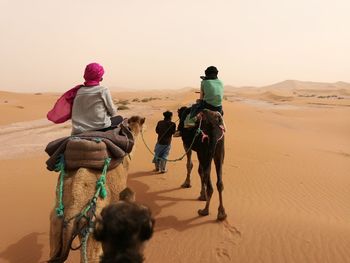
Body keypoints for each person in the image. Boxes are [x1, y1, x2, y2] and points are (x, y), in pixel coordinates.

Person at [174, 66, 224, 136]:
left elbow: (201, 98)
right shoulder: (221, 82)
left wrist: (199, 101)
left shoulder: (204, 82)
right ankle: (221, 123)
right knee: (221, 113)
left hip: (207, 106)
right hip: (219, 108)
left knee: (186, 111)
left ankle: (180, 130)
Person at [71, 62, 120, 135]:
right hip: (101, 128)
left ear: (85, 76)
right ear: (100, 78)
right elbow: (113, 112)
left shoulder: (77, 91)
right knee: (119, 119)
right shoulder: (103, 90)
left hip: (78, 130)